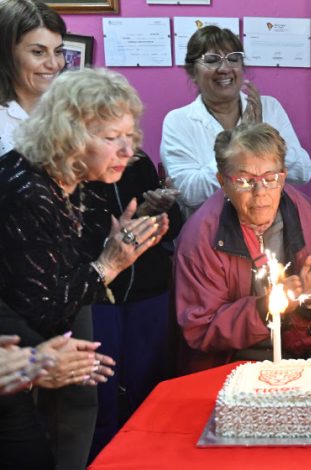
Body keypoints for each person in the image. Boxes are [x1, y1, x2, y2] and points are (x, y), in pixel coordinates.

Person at [0, 68, 168, 469]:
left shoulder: (73, 184)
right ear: (67, 135)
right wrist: (110, 263)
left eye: (129, 135)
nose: (128, 151)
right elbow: (42, 309)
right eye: (111, 138)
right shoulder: (26, 190)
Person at [174, 123, 311, 374]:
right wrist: (266, 307)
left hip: (297, 360)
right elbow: (201, 330)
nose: (260, 192)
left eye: (270, 178)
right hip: (228, 366)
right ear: (223, 182)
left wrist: (309, 302)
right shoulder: (200, 239)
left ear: (283, 177)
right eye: (244, 181)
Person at [85, 149, 183, 459]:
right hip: (97, 297)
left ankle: (153, 460)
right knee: (100, 404)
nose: (124, 143)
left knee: (152, 397)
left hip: (148, 294)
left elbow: (173, 225)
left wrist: (158, 211)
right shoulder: (72, 167)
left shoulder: (138, 161)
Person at [161, 25, 311, 218]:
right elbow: (190, 193)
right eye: (212, 60)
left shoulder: (269, 107)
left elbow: (303, 172)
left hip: (270, 229)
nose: (224, 69)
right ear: (192, 72)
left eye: (233, 58)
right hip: (208, 235)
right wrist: (245, 138)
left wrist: (266, 138)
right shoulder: (178, 121)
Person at [0, 0, 66, 156]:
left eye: (58, 51)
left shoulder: (70, 109)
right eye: (38, 52)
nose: (53, 64)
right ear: (6, 54)